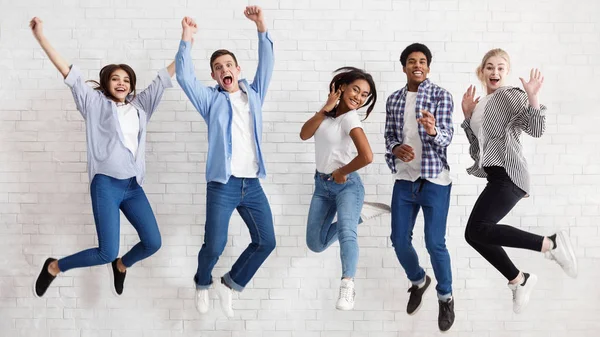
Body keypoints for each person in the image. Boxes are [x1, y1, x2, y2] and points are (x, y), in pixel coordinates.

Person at [30, 17, 175, 298]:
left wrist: (187, 40)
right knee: (106, 250)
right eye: (115, 78)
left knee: (153, 242)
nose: (121, 83)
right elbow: (67, 71)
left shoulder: (141, 106)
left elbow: (165, 77)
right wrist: (40, 37)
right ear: (107, 83)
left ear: (131, 86)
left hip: (132, 186)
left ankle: (122, 266)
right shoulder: (94, 104)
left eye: (126, 80)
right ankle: (54, 267)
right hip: (106, 186)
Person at [175, 6, 275, 318]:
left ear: (237, 68)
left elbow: (268, 62)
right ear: (215, 76)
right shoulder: (210, 100)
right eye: (218, 67)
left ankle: (230, 283)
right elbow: (183, 75)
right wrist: (187, 39)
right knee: (214, 246)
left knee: (266, 241)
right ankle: (202, 283)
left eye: (228, 64)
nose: (224, 69)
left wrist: (261, 26)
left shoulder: (254, 94)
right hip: (223, 184)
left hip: (252, 184)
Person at [461, 48, 577, 314]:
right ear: (482, 71)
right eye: (490, 67)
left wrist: (533, 97)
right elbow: (478, 150)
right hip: (496, 175)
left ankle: (550, 244)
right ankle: (519, 279)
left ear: (507, 72)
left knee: (478, 229)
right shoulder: (480, 106)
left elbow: (535, 129)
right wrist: (468, 117)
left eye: (501, 67)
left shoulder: (510, 95)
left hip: (508, 174)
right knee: (474, 234)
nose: (495, 72)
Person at [300, 67, 389, 310]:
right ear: (342, 87)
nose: (359, 97)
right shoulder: (328, 117)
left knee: (346, 233)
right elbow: (304, 134)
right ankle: (362, 214)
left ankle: (347, 285)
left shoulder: (351, 118)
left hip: (346, 185)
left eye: (364, 95)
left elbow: (367, 156)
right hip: (321, 186)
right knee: (315, 244)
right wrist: (325, 108)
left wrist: (341, 172)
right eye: (356, 90)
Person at [384, 43, 455, 331]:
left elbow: (447, 137)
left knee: (434, 242)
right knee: (399, 240)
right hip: (404, 179)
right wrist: (396, 147)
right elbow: (389, 135)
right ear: (404, 67)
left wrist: (432, 130)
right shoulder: (393, 100)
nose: (417, 65)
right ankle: (418, 280)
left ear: (428, 66)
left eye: (423, 61)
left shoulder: (441, 96)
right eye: (412, 61)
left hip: (435, 179)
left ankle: (446, 297)